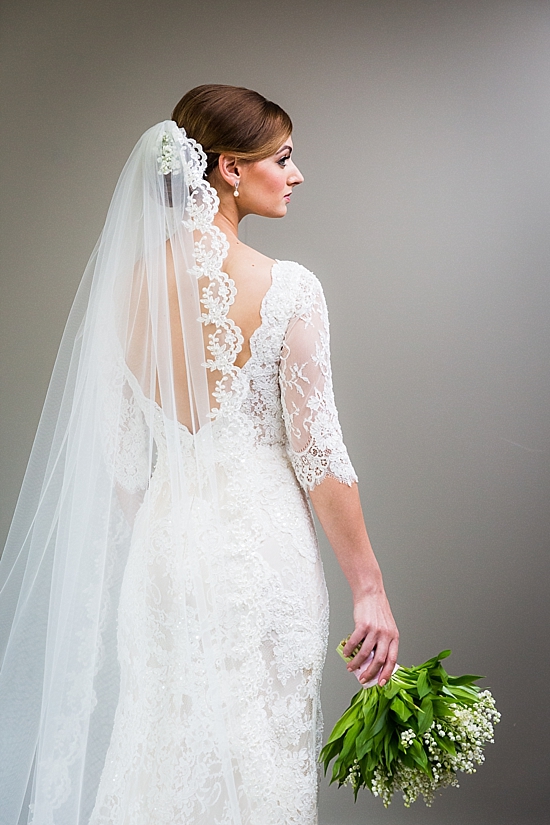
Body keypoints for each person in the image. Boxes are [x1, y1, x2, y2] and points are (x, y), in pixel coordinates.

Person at [0, 85, 398, 825]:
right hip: (262, 559)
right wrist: (368, 587)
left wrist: (176, 518)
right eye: (282, 158)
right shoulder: (289, 289)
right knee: (258, 765)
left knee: (158, 752)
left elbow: (122, 469)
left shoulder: (120, 294)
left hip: (162, 559)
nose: (297, 173)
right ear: (228, 168)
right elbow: (319, 455)